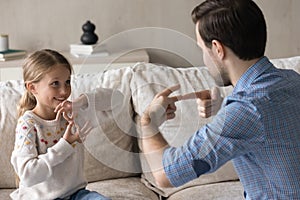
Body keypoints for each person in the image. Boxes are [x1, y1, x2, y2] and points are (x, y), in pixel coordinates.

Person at [140, 0, 300, 199]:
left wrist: (148, 123)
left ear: (217, 48)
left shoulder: (245, 111)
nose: (204, 58)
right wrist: (223, 105)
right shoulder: (292, 81)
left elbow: (166, 174)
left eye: (202, 49)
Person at [10, 49, 111, 200]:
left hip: (76, 194)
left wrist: (81, 102)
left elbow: (117, 99)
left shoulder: (72, 113)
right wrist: (65, 144)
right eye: (55, 84)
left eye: (68, 82)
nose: (64, 91)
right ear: (32, 88)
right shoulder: (28, 124)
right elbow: (28, 175)